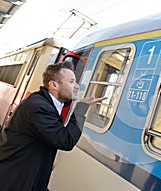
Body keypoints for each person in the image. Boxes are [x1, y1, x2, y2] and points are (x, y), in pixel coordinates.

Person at [0, 61, 107, 191]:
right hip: (14, 180)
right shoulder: (38, 107)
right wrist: (80, 109)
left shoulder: (45, 103)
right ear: (53, 85)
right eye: (72, 81)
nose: (77, 86)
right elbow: (65, 140)